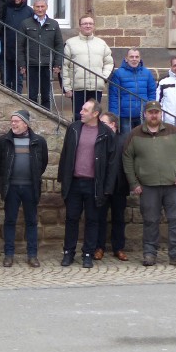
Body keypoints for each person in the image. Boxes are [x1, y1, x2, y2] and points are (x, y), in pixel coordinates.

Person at [122, 100, 176, 267]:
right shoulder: (135, 134)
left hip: (173, 186)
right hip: (147, 186)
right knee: (150, 221)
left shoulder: (173, 131)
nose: (154, 115)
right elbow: (127, 159)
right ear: (145, 114)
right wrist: (133, 183)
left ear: (161, 114)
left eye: (157, 112)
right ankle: (149, 253)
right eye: (150, 112)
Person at [57, 100, 116, 269]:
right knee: (71, 219)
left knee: (92, 220)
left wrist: (107, 188)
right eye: (81, 109)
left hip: (94, 184)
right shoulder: (74, 128)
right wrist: (62, 179)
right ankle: (68, 252)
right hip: (74, 183)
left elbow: (112, 163)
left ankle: (88, 253)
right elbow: (65, 154)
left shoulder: (106, 133)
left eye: (85, 110)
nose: (81, 112)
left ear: (95, 113)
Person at [0, 110, 49, 268]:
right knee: (9, 221)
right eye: (12, 121)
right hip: (11, 187)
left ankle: (32, 255)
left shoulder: (39, 141)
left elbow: (42, 164)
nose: (13, 123)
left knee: (31, 221)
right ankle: (9, 255)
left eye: (17, 121)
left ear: (26, 124)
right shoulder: (3, 141)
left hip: (30, 188)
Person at [62, 14, 114, 122]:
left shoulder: (101, 44)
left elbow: (109, 62)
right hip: (77, 88)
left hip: (96, 87)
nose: (88, 26)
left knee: (95, 117)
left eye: (90, 23)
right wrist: (67, 88)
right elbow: (64, 66)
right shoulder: (70, 43)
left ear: (94, 26)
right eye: (85, 23)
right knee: (78, 117)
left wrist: (103, 77)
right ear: (80, 26)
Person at [96, 112, 131, 261]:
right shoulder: (98, 139)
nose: (100, 126)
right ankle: (99, 247)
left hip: (119, 185)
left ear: (113, 125)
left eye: (103, 123)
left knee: (118, 218)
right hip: (102, 185)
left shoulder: (124, 140)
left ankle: (118, 248)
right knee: (99, 218)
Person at [19, 0, 64, 109]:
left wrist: (57, 63)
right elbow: (20, 46)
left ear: (46, 7)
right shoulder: (26, 23)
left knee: (46, 96)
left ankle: (47, 119)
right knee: (32, 95)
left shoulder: (54, 24)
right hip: (31, 64)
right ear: (33, 7)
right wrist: (22, 64)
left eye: (42, 6)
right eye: (37, 6)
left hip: (47, 64)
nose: (40, 9)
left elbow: (59, 45)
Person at [108, 49, 156, 134]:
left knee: (142, 139)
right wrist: (114, 116)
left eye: (137, 57)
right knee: (126, 140)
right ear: (126, 59)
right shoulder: (118, 73)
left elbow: (152, 92)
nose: (134, 59)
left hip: (143, 114)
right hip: (125, 115)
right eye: (131, 57)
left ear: (140, 58)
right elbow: (114, 96)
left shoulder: (147, 73)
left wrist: (150, 109)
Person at [2, 0, 34, 94]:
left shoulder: (29, 11)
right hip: (5, 50)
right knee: (5, 81)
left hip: (21, 52)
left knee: (18, 81)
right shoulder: (4, 8)